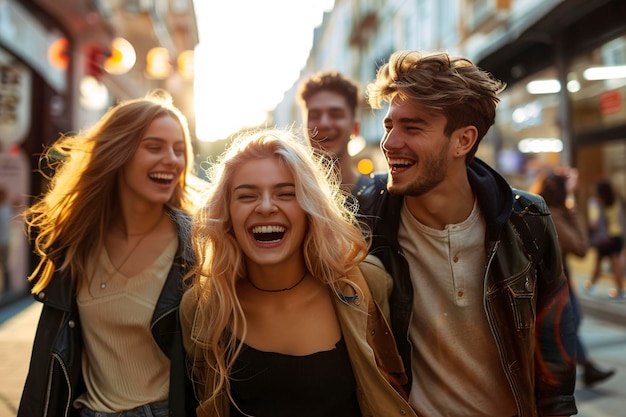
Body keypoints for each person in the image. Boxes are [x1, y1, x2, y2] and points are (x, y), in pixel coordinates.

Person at [357, 50, 577, 416]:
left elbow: (555, 356)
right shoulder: (365, 219)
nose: (390, 143)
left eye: (412, 128)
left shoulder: (527, 221)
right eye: (389, 125)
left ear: (463, 141)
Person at [180, 128, 415, 417]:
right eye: (246, 196)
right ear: (227, 214)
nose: (266, 207)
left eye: (286, 193)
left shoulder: (367, 284)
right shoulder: (202, 308)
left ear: (309, 208)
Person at [18, 90, 199, 417]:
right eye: (154, 146)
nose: (171, 160)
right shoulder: (75, 241)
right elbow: (47, 357)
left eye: (179, 150)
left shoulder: (197, 246)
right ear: (119, 152)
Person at [532, 167, 615, 387]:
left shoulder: (533, 209)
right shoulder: (554, 215)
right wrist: (572, 204)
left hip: (550, 284)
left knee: (567, 324)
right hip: (555, 286)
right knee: (568, 323)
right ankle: (572, 371)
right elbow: (580, 247)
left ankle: (585, 367)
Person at [297, 70, 375, 195]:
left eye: (336, 115)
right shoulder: (294, 198)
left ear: (355, 127)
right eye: (314, 115)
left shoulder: (381, 199)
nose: (324, 124)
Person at [585, 179, 625, 299]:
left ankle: (591, 285)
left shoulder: (596, 203)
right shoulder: (617, 200)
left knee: (600, 261)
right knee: (614, 262)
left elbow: (594, 222)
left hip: (604, 237)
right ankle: (619, 289)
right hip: (617, 235)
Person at [0, 187, 13, 296]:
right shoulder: (6, 209)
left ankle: (7, 287)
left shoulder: (6, 209)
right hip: (5, 241)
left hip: (4, 241)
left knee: (4, 265)